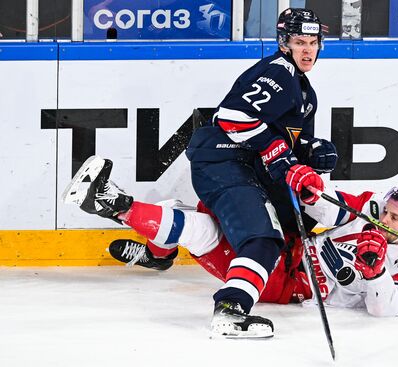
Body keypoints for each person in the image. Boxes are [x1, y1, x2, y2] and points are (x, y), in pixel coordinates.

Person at [65, 7, 338, 339]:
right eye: (299, 42)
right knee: (263, 239)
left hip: (240, 165)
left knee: (199, 226)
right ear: (284, 43)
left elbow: (288, 142)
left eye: (313, 42)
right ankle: (230, 310)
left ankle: (151, 250)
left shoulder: (305, 90)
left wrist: (309, 153)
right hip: (227, 160)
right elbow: (233, 117)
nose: (308, 50)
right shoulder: (279, 72)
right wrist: (278, 152)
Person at [64, 156, 398, 327]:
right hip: (287, 243)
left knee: (198, 230)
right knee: (191, 212)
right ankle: (151, 248)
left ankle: (115, 205)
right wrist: (310, 190)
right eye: (386, 209)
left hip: (286, 282)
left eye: (394, 217)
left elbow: (385, 309)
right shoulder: (367, 210)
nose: (382, 218)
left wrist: (375, 273)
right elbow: (330, 207)